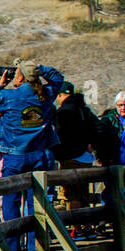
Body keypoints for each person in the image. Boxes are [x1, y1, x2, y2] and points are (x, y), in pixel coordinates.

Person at [0, 60, 63, 251]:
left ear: (20, 76)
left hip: (15, 157)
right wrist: (39, 68)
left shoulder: (10, 96)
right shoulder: (46, 95)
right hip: (39, 156)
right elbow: (58, 78)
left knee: (11, 201)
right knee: (36, 205)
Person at [52, 81, 100, 233]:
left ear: (61, 95)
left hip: (70, 158)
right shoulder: (85, 110)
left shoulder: (63, 112)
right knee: (83, 192)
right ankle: (87, 226)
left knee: (72, 195)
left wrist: (58, 153)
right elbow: (98, 127)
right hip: (86, 157)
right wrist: (91, 143)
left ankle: (76, 227)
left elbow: (59, 136)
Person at [98, 91, 125, 203]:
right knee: (112, 196)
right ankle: (108, 219)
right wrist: (102, 157)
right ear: (116, 105)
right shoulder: (108, 120)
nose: (124, 108)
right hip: (115, 164)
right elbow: (99, 139)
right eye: (120, 105)